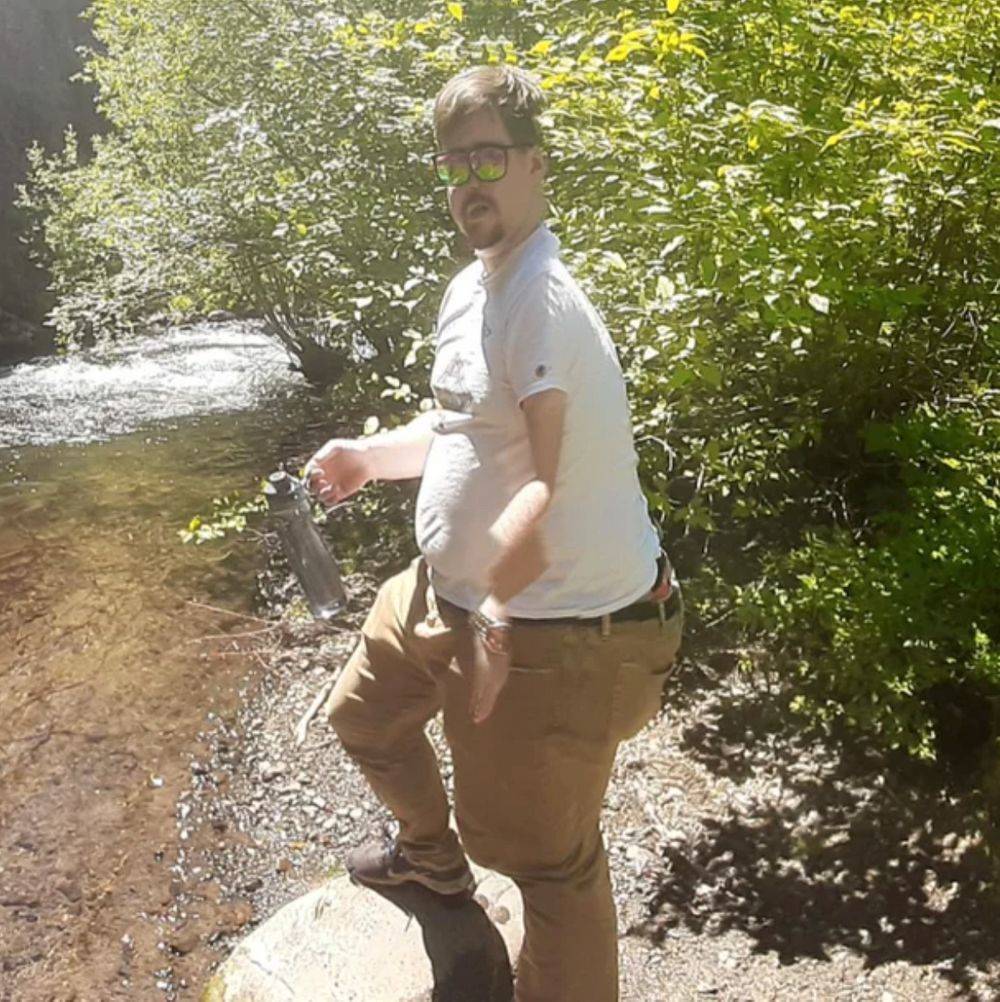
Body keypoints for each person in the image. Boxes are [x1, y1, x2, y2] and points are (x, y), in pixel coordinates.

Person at [305, 64, 682, 1002]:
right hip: (449, 594)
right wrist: (368, 456)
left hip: (556, 629)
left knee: (549, 864)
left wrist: (500, 618)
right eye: (452, 163)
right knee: (364, 716)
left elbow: (545, 485)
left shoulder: (541, 302)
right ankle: (433, 865)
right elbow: (463, 428)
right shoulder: (473, 288)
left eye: (487, 157)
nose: (469, 180)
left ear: (535, 164)